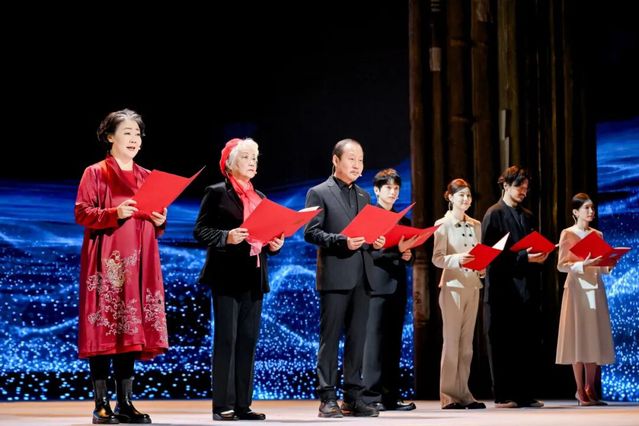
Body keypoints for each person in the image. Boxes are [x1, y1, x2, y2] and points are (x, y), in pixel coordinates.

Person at [75, 108, 168, 424]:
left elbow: (154, 221)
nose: (134, 139)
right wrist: (115, 212)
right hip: (107, 259)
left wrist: (159, 219)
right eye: (127, 132)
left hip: (141, 260)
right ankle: (101, 404)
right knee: (105, 326)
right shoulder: (95, 173)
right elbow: (82, 212)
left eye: (137, 133)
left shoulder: (147, 176)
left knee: (131, 328)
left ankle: (125, 403)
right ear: (109, 137)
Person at [194, 138, 284, 421]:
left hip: (254, 276)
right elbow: (200, 231)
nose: (252, 162)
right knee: (227, 340)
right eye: (246, 157)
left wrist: (275, 244)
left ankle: (243, 405)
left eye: (255, 157)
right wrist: (227, 236)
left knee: (248, 341)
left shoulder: (262, 197)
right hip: (226, 275)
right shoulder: (217, 192)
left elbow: (266, 237)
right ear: (230, 163)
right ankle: (223, 405)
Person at [304, 139, 385, 418]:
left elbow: (366, 234)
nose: (357, 165)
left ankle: (353, 397)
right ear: (335, 160)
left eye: (360, 160)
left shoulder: (364, 196)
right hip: (335, 276)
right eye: (352, 159)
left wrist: (375, 241)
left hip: (363, 276)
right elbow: (311, 232)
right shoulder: (318, 192)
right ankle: (327, 397)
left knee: (357, 339)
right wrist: (342, 241)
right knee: (329, 339)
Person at [481, 165, 549, 408]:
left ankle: (524, 393)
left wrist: (539, 255)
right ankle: (503, 395)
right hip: (501, 290)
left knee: (525, 343)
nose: (523, 191)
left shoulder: (527, 215)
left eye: (526, 188)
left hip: (525, 289)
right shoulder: (494, 214)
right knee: (502, 343)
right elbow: (490, 255)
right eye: (519, 186)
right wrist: (524, 258)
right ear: (505, 185)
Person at [362, 169, 417, 412]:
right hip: (375, 286)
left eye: (396, 188)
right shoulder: (369, 217)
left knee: (394, 343)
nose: (393, 192)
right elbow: (368, 253)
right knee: (374, 344)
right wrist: (397, 251)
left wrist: (408, 255)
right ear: (377, 190)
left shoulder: (404, 220)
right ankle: (371, 396)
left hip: (397, 287)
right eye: (388, 188)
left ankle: (391, 397)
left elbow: (410, 256)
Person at [556, 193, 615, 406]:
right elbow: (561, 265)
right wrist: (583, 264)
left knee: (593, 334)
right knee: (578, 335)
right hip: (576, 289)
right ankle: (579, 388)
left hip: (594, 288)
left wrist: (609, 263)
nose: (591, 212)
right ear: (576, 212)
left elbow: (602, 265)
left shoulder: (597, 234)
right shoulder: (568, 233)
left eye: (592, 208)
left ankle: (591, 386)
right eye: (586, 208)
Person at [432, 178, 486, 410]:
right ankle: (448, 395)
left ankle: (464, 393)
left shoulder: (476, 224)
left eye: (468, 195)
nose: (465, 199)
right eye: (461, 195)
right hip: (452, 286)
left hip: (472, 285)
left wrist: (482, 267)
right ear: (450, 197)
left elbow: (479, 254)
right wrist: (457, 259)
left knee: (467, 345)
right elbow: (437, 258)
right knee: (452, 342)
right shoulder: (442, 224)